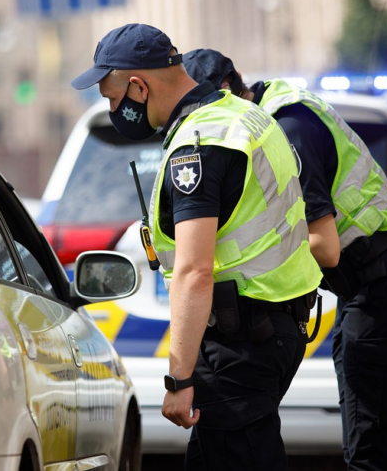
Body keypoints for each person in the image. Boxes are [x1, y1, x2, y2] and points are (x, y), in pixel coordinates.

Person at [71, 24, 323, 470]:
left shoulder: (199, 147)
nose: (113, 109)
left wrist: (179, 378)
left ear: (138, 86)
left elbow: (193, 270)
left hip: (241, 340)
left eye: (112, 99)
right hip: (274, 326)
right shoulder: (242, 116)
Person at [183, 48, 387, 470]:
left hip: (386, 279)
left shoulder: (284, 129)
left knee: (374, 452)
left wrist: (245, 273)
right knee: (365, 432)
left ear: (228, 90)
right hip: (368, 283)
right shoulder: (264, 120)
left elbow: (325, 245)